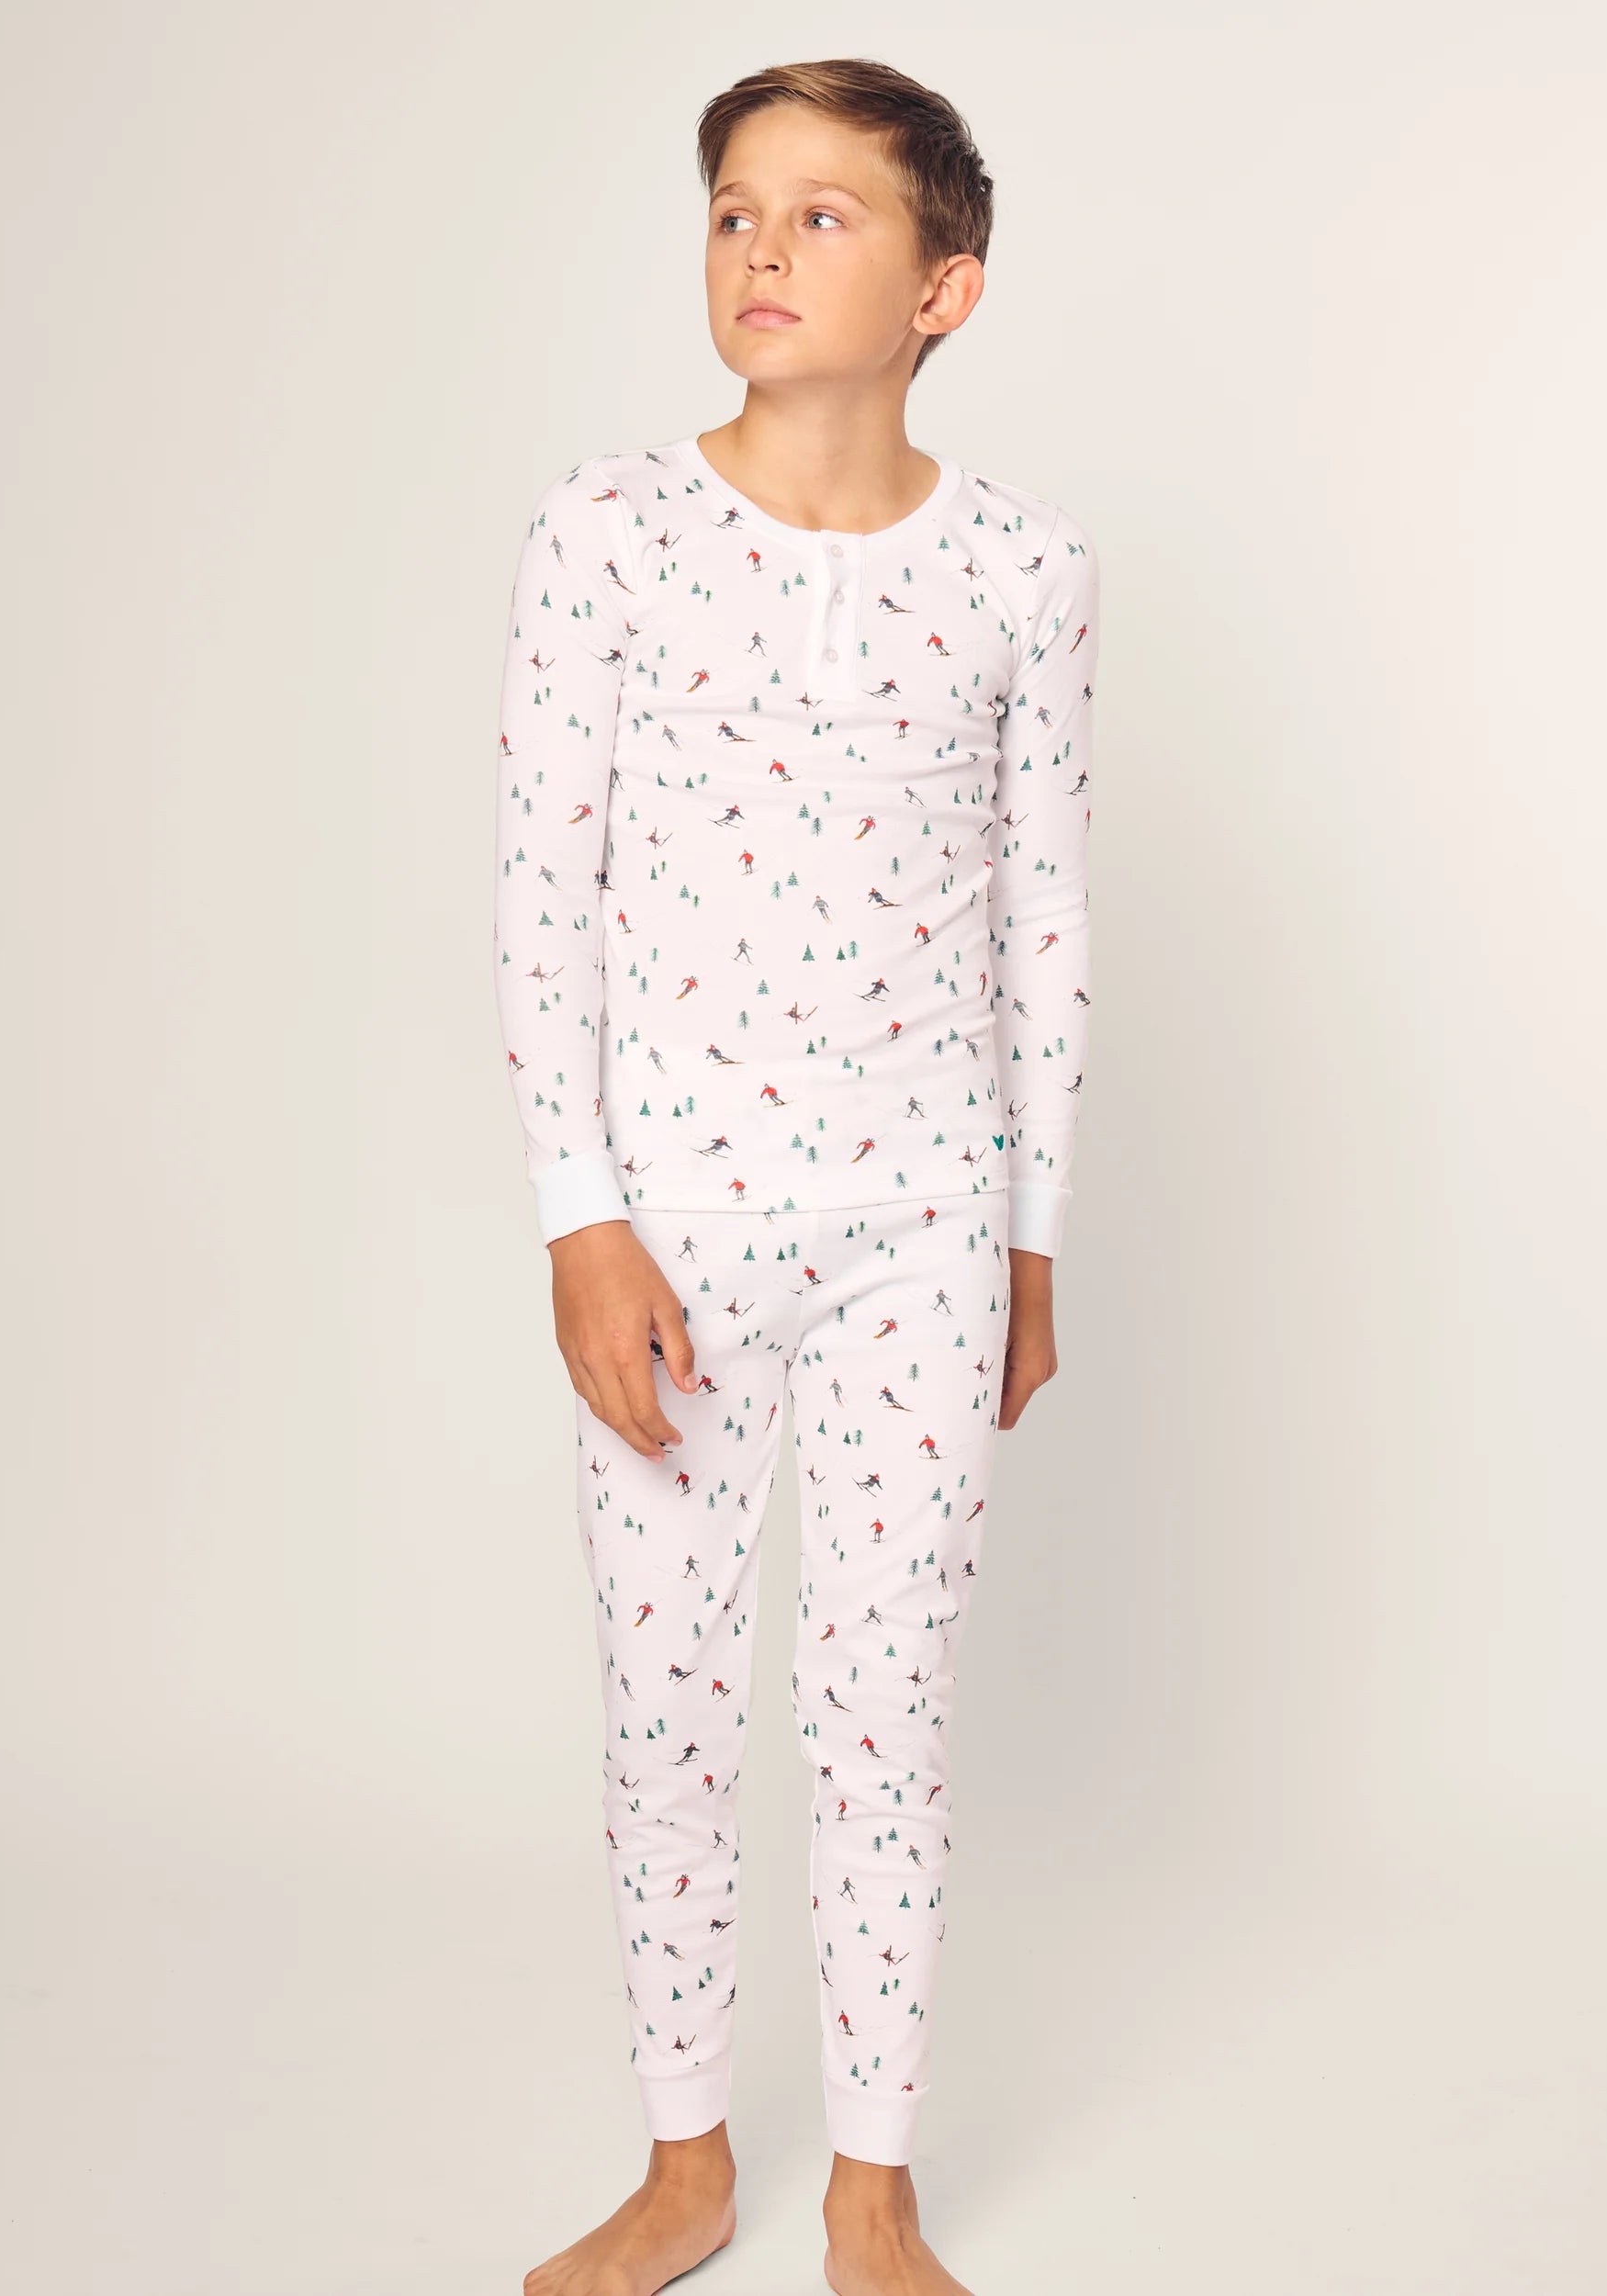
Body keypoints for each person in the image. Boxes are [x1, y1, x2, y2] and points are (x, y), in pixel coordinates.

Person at [494, 56, 1100, 2296]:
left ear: (946, 286)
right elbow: (540, 892)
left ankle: (872, 2184)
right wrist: (579, 1211)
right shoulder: (607, 536)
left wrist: (1028, 1244)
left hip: (922, 1227)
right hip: (671, 1227)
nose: (759, 246)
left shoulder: (1026, 571)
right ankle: (684, 2159)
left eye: (823, 215)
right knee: (664, 1705)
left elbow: (1045, 921)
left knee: (883, 1706)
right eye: (735, 208)